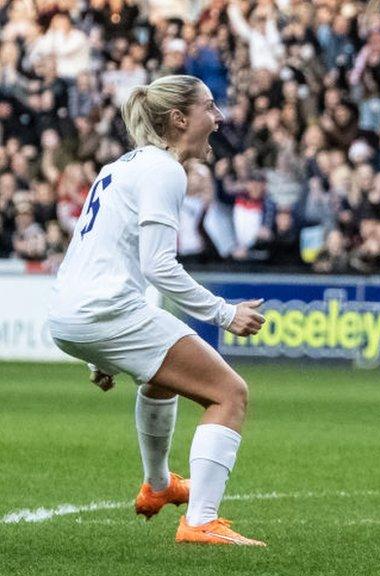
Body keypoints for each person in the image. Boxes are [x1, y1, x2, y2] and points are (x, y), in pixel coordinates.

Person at [46, 75, 268, 546]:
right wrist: (225, 314)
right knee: (229, 393)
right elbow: (158, 266)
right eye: (210, 107)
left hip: (71, 311)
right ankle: (200, 521)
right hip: (104, 311)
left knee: (161, 379)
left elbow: (99, 257)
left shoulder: (119, 167)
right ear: (179, 119)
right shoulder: (166, 170)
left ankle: (160, 486)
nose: (219, 117)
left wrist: (95, 353)